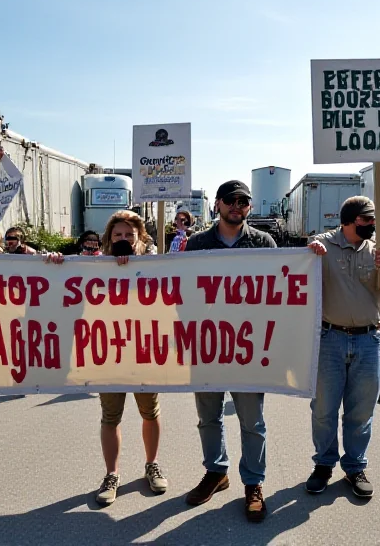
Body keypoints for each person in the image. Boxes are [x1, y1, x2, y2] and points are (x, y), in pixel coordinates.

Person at [45, 210, 167, 505]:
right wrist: (56, 265)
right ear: (109, 238)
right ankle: (111, 474)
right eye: (118, 235)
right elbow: (68, 292)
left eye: (129, 235)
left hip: (143, 353)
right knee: (110, 417)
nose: (124, 239)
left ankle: (152, 465)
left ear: (140, 237)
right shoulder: (91, 266)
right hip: (108, 355)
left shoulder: (155, 265)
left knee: (150, 412)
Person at [184, 180, 277, 522]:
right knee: (208, 416)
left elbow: (277, 288)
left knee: (252, 420)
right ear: (218, 205)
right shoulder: (197, 243)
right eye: (230, 200)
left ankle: (253, 483)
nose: (237, 206)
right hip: (207, 345)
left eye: (244, 202)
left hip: (248, 346)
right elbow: (182, 290)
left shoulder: (263, 242)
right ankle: (216, 472)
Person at [306, 196, 380, 499]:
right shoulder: (322, 244)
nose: (372, 225)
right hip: (329, 339)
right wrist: (310, 254)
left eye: (374, 220)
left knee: (361, 411)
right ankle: (323, 464)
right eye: (366, 220)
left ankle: (354, 466)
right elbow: (302, 264)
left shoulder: (379, 250)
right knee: (323, 409)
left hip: (369, 340)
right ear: (348, 220)